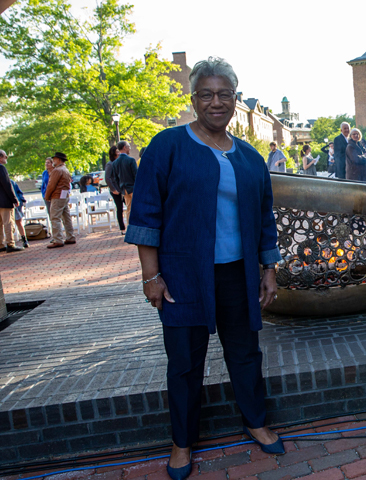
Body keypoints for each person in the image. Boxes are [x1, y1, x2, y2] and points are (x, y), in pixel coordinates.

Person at [124, 57, 284, 480]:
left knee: (245, 352)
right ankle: (182, 442)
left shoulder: (249, 157)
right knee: (183, 361)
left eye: (225, 94)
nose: (217, 102)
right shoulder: (167, 147)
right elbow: (146, 215)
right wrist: (151, 276)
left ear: (235, 98)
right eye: (207, 94)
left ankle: (255, 420)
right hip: (183, 277)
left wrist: (269, 268)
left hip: (237, 274)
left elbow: (264, 216)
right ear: (194, 98)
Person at [44, 152, 76, 248]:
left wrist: (47, 196)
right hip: (64, 195)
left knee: (55, 217)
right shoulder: (65, 169)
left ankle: (58, 239)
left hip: (57, 196)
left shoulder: (57, 170)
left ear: (58, 160)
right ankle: (70, 237)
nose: (53, 161)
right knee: (66, 217)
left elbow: (51, 185)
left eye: (54, 159)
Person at [0, 150, 23, 253]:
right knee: (8, 223)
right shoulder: (1, 168)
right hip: (4, 201)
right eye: (5, 156)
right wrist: (14, 199)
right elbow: (7, 185)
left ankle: (0, 244)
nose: (6, 158)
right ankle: (10, 244)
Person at [111, 140, 137, 225]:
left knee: (128, 209)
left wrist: (120, 189)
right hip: (133, 187)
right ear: (124, 147)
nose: (129, 148)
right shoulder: (131, 160)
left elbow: (115, 178)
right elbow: (136, 175)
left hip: (124, 189)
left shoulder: (115, 163)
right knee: (137, 207)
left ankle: (130, 227)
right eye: (128, 147)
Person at [105, 145, 125, 234]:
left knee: (129, 206)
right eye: (117, 152)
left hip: (122, 188)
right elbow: (107, 178)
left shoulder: (119, 162)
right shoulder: (110, 164)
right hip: (116, 190)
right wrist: (113, 189)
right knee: (119, 208)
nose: (119, 153)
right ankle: (122, 228)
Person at [11, 180, 29, 248]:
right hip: (16, 203)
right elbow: (19, 192)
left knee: (16, 223)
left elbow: (18, 192)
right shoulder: (11, 181)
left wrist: (21, 201)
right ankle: (24, 240)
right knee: (18, 223)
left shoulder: (11, 182)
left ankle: (24, 240)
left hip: (14, 204)